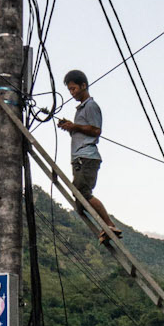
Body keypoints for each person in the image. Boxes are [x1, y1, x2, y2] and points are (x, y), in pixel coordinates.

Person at [57, 70, 118, 237]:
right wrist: (70, 127)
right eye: (70, 90)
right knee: (79, 199)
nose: (72, 93)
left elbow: (96, 130)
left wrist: (74, 126)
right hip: (79, 157)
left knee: (82, 194)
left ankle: (109, 224)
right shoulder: (81, 109)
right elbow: (82, 130)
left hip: (87, 156)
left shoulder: (90, 106)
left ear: (83, 85)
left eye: (74, 88)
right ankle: (106, 228)